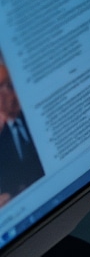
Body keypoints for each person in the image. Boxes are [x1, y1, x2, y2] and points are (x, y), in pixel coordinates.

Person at [0, 59, 45, 208]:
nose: (9, 94)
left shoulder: (41, 116)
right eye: (1, 87)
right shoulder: (2, 139)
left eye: (10, 85)